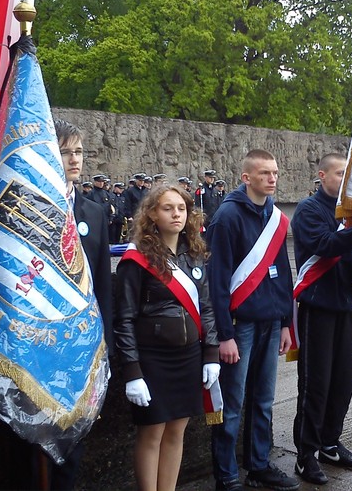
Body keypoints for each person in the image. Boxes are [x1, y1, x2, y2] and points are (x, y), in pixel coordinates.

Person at [6, 120, 114, 491]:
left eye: (78, 151)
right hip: (36, 349)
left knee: (71, 453)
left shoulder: (94, 212)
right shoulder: (27, 212)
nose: (73, 159)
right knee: (29, 459)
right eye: (64, 151)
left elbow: (103, 287)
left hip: (80, 351)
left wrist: (106, 350)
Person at [291, 153, 352, 485]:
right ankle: (306, 455)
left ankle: (330, 442)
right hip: (317, 309)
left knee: (343, 381)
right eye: (339, 174)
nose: (345, 180)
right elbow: (326, 245)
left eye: (349, 175)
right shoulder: (309, 210)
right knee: (315, 385)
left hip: (346, 307)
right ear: (322, 175)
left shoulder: (349, 214)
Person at [115, 185, 220, 491]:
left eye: (182, 208)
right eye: (167, 208)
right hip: (152, 359)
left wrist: (211, 353)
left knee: (177, 429)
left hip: (188, 357)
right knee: (152, 432)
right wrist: (132, 372)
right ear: (151, 214)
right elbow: (124, 319)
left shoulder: (194, 254)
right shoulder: (137, 259)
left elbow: (207, 306)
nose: (176, 214)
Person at [206, 149, 299, 491]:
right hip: (240, 325)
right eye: (264, 173)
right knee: (232, 403)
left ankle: (259, 464)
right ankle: (227, 475)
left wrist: (288, 322)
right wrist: (225, 335)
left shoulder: (274, 216)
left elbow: (284, 275)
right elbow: (217, 281)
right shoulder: (227, 217)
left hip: (272, 323)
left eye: (274, 173)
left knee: (264, 399)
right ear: (246, 177)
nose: (272, 179)